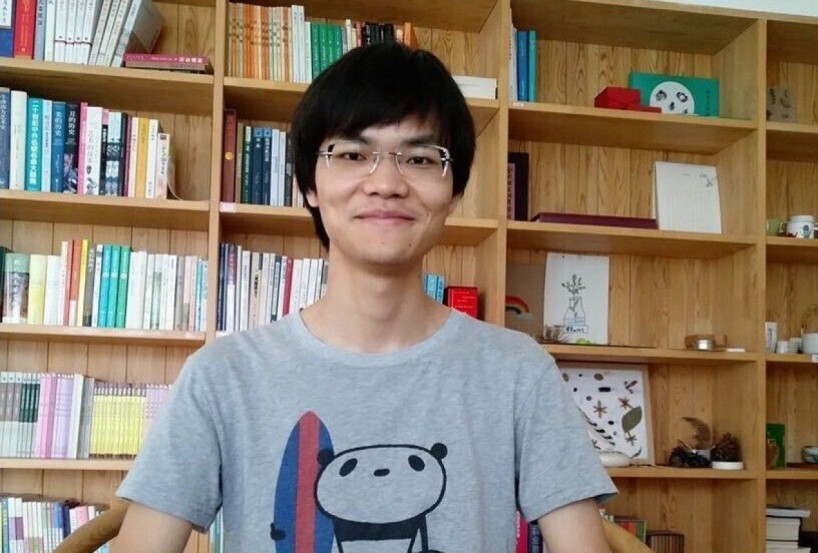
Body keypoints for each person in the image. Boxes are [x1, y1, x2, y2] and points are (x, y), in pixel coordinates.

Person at [114, 42, 617, 553]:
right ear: (309, 184)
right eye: (353, 155)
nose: (386, 183)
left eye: (420, 158)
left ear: (455, 193)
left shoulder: (519, 373)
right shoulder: (223, 375)